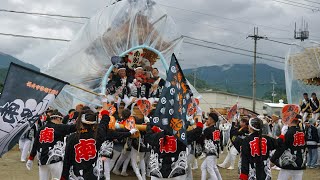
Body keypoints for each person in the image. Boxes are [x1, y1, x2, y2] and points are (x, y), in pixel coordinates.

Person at [26, 111, 76, 180]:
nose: (61, 122)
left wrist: (31, 158)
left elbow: (35, 144)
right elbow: (74, 128)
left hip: (42, 160)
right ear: (58, 118)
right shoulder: (60, 127)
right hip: (55, 160)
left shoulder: (41, 129)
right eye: (61, 120)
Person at [271, 115, 306, 180]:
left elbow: (282, 147)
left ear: (290, 120)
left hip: (289, 161)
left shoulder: (289, 132)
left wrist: (273, 159)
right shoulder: (302, 132)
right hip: (300, 161)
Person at [201, 113, 222, 180]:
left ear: (212, 120)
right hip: (215, 151)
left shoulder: (208, 130)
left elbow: (201, 138)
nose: (207, 120)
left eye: (208, 119)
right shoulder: (217, 129)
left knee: (210, 169)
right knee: (205, 167)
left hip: (210, 152)